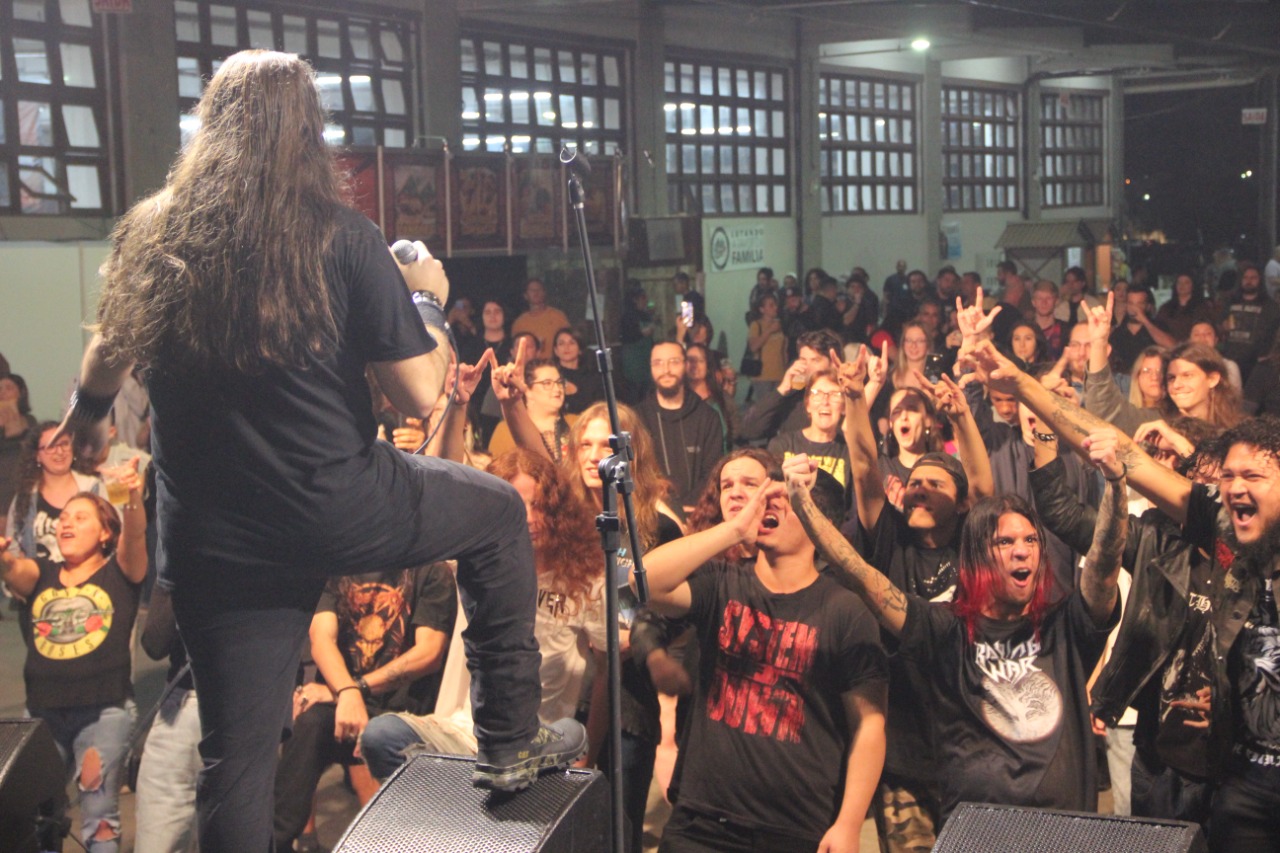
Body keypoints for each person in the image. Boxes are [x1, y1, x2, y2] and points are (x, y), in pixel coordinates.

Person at [61, 51, 583, 851]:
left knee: (233, 760)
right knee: (499, 510)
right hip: (337, 505)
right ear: (308, 135)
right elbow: (421, 393)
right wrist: (425, 299)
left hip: (212, 541)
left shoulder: (152, 230)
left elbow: (104, 358)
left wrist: (90, 415)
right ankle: (510, 739)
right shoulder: (342, 237)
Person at [969, 340, 1280, 852]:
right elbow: (1123, 452)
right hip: (1239, 783)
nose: (1233, 487)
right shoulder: (1221, 528)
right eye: (1227, 476)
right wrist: (1023, 383)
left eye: (1252, 476)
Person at [786, 427, 1124, 823]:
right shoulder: (945, 629)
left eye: (1031, 541)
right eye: (1005, 542)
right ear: (979, 555)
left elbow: (1103, 567)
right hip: (973, 833)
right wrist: (801, 503)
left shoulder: (1065, 625)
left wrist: (1116, 486)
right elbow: (861, 576)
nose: (1022, 550)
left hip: (1061, 831)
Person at [643, 455, 889, 853]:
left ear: (816, 521)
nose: (766, 506)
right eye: (765, 498)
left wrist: (848, 823)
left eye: (784, 500)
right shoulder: (721, 582)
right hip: (701, 823)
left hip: (794, 830)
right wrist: (733, 529)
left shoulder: (846, 611)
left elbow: (869, 725)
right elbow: (644, 582)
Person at [834, 343, 993, 850]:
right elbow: (863, 468)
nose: (919, 488)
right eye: (915, 481)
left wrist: (963, 419)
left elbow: (986, 491)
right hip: (902, 750)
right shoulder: (889, 538)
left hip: (972, 748)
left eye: (935, 482)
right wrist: (857, 398)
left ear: (958, 500)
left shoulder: (974, 541)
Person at [1, 479, 147, 853]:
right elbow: (16, 571)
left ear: (104, 534)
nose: (66, 523)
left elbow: (133, 539)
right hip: (42, 716)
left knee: (98, 819)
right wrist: (3, 559)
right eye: (64, 517)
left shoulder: (120, 572)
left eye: (80, 517)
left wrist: (131, 498)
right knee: (36, 818)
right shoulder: (43, 573)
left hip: (102, 715)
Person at [1084, 293, 1243, 436]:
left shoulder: (1234, 431)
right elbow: (1105, 410)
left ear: (1212, 378)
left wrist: (1178, 444)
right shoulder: (1157, 422)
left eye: (1187, 375)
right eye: (1171, 378)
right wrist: (1098, 344)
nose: (1177, 384)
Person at [637, 342, 724, 514]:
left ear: (686, 365)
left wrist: (688, 510)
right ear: (651, 368)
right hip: (653, 514)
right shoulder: (636, 419)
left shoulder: (707, 417)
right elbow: (635, 474)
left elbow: (713, 472)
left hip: (698, 514)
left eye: (674, 362)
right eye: (658, 363)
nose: (666, 370)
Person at [6, 422, 103, 563]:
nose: (59, 451)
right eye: (51, 446)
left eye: (64, 444)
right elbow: (12, 547)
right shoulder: (25, 496)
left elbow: (113, 536)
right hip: (38, 582)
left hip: (88, 581)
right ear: (37, 456)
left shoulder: (94, 488)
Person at [739, 330, 842, 444]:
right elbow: (748, 430)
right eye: (803, 360)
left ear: (833, 364)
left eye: (815, 360)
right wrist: (782, 390)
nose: (807, 367)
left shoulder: (843, 398)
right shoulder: (791, 395)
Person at [768, 371, 852, 509]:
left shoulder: (848, 450)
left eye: (834, 395)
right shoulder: (782, 445)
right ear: (807, 404)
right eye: (817, 394)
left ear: (843, 407)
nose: (825, 402)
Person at [1220, 263, 1280, 384]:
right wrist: (1223, 326)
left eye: (1253, 278)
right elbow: (1219, 327)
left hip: (1257, 363)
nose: (1249, 281)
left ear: (1260, 280)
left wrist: (1270, 354)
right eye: (1246, 278)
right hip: (1232, 360)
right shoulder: (1230, 303)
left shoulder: (1270, 306)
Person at [1109, 286, 1176, 373]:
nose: (1134, 308)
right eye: (1131, 303)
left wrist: (1144, 321)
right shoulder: (1117, 333)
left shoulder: (1158, 326)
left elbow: (1173, 346)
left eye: (1139, 304)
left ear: (1148, 306)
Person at [0, 374, 38, 516]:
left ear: (21, 394)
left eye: (8, 388)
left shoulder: (30, 422)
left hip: (19, 492)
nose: (2, 393)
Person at [684, 342, 732, 450]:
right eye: (690, 360)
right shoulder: (678, 400)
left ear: (708, 366)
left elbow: (736, 432)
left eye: (700, 361)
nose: (694, 365)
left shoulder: (722, 398)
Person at [512, 278, 571, 360]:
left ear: (544, 293)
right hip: (529, 368)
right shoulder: (519, 323)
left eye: (539, 289)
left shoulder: (558, 316)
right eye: (532, 290)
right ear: (525, 295)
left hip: (556, 366)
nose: (536, 293)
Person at [745, 292, 788, 401]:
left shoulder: (779, 325)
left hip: (779, 373)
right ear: (762, 309)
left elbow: (783, 350)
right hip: (763, 375)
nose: (775, 308)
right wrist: (769, 331)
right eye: (771, 305)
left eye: (775, 305)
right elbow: (753, 346)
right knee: (765, 407)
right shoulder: (756, 325)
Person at [552, 327, 604, 415]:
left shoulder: (592, 378)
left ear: (580, 349)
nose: (566, 347)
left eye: (572, 343)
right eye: (561, 343)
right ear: (556, 350)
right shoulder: (552, 377)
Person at [1155, 273, 1217, 344]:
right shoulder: (1165, 308)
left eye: (1186, 282)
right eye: (1179, 283)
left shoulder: (1202, 307)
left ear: (1193, 285)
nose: (1182, 285)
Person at [1031, 281, 1067, 360]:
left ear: (1056, 301)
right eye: (1039, 298)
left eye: (1049, 298)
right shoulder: (1024, 329)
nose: (1044, 303)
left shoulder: (1066, 331)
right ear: (1033, 302)